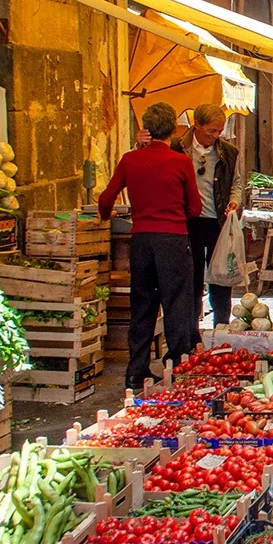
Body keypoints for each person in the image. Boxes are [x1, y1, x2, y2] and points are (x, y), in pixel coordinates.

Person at [99, 102, 201, 390]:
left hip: (141, 241)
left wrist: (107, 218)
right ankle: (178, 366)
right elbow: (195, 208)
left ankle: (136, 371)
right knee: (177, 304)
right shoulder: (180, 162)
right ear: (173, 130)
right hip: (173, 240)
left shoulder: (129, 160)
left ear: (147, 129)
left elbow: (106, 198)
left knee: (142, 307)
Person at [170, 104, 244, 329]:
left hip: (217, 222)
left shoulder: (228, 152)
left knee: (221, 277)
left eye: (219, 131)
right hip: (188, 223)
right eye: (211, 131)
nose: (216, 136)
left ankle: (221, 325)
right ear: (197, 125)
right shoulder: (177, 148)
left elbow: (237, 182)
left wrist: (235, 201)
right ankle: (190, 329)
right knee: (190, 277)